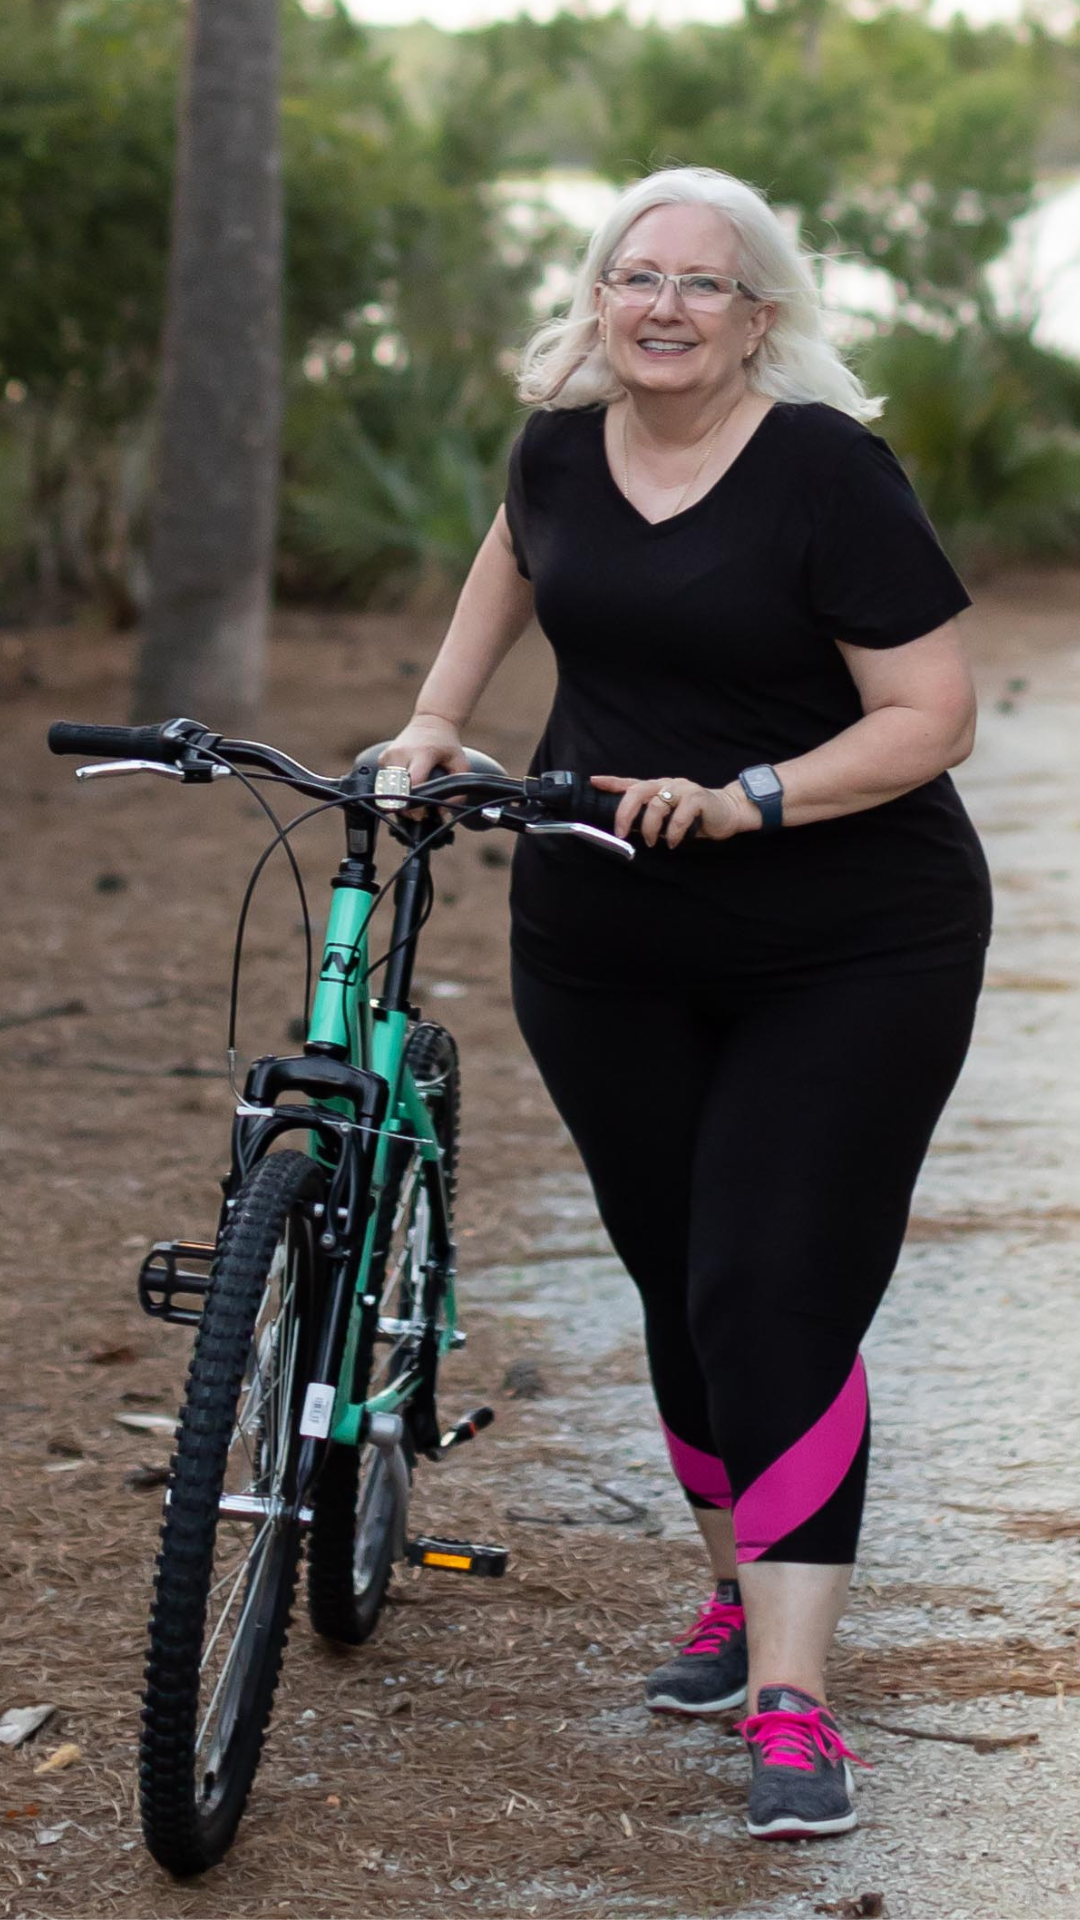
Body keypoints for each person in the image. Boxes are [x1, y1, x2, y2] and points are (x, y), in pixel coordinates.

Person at [380, 164, 992, 1842]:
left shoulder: (827, 475)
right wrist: (438, 719)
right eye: (633, 278)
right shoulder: (560, 447)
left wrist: (755, 795)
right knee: (676, 1270)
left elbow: (932, 714)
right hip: (605, 934)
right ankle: (739, 1595)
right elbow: (514, 558)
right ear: (597, 298)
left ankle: (794, 1701)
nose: (661, 308)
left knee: (770, 1282)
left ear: (760, 315)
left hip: (849, 938)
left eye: (701, 286)